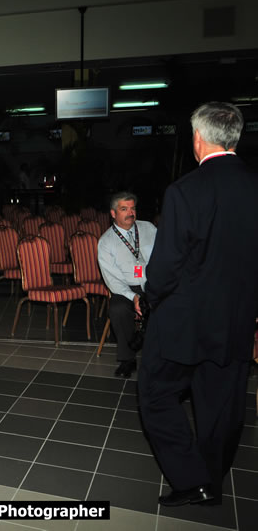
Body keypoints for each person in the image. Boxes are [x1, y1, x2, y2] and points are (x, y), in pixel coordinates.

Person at [139, 102, 258, 507]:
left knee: (155, 395)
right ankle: (212, 477)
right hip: (237, 319)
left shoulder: (185, 190)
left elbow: (167, 263)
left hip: (183, 321)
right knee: (222, 406)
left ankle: (193, 480)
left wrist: (149, 299)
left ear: (198, 138)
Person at [97, 191, 157, 378]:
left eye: (133, 208)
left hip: (153, 283)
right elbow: (113, 281)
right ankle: (127, 359)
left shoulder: (148, 228)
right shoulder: (106, 242)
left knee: (172, 301)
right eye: (124, 209)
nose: (130, 213)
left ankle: (162, 356)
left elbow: (164, 257)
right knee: (118, 309)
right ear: (113, 214)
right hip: (125, 288)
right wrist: (135, 297)